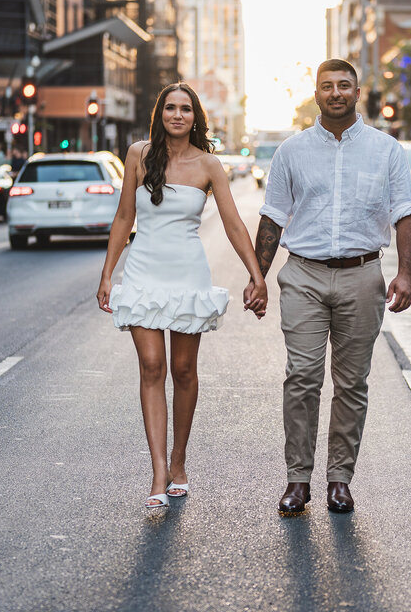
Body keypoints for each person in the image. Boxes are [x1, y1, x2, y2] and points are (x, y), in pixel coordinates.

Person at [254, 58, 411, 516]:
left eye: (344, 85)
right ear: (316, 95)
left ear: (357, 93)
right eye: (327, 86)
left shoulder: (386, 150)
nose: (336, 93)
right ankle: (298, 479)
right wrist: (258, 277)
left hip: (363, 275)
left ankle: (339, 480)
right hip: (303, 275)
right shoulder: (291, 151)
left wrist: (405, 273)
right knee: (302, 377)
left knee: (351, 383)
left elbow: (405, 213)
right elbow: (272, 217)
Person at [97, 83, 268, 511]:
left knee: (184, 369)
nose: (177, 115)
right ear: (160, 114)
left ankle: (179, 459)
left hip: (188, 273)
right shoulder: (138, 155)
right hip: (143, 271)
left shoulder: (209, 164)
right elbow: (124, 217)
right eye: (170, 107)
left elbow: (233, 223)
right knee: (152, 366)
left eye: (185, 109)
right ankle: (158, 470)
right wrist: (107, 274)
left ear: (195, 118)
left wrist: (257, 274)